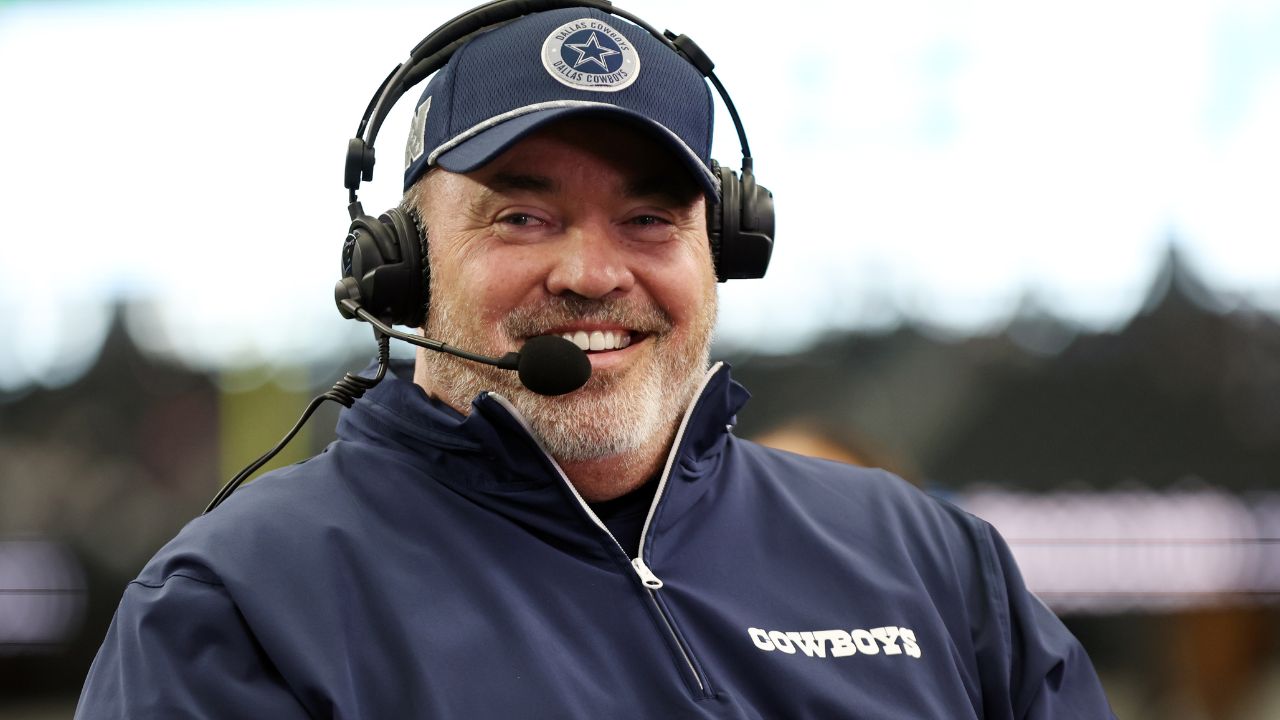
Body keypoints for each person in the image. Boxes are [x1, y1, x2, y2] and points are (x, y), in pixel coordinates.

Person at [76, 5, 1116, 718]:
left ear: (724, 257)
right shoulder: (236, 605)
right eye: (521, 215)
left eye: (649, 217)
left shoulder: (931, 564)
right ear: (402, 267)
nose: (588, 272)